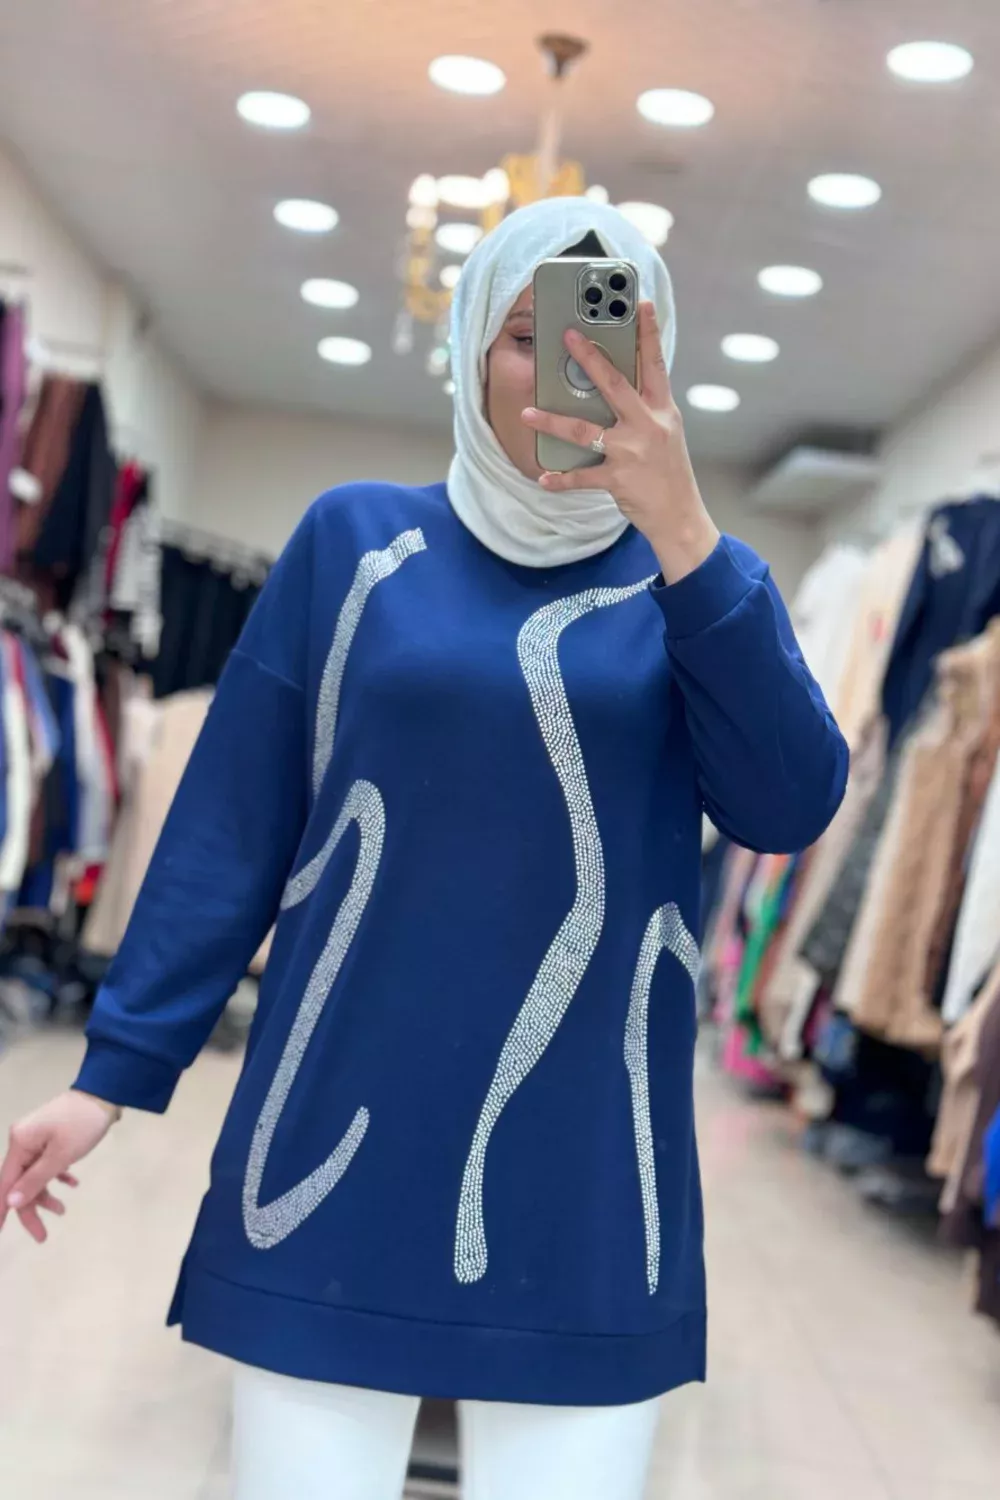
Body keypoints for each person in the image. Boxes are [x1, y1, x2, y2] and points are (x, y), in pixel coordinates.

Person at [0, 198, 848, 1500]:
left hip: (586, 1185)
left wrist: (685, 532)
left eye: (617, 338)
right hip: (329, 1159)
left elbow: (789, 805)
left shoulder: (701, 591)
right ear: (468, 348)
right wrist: (110, 1077)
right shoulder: (355, 543)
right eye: (528, 334)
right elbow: (230, 826)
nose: (570, 368)